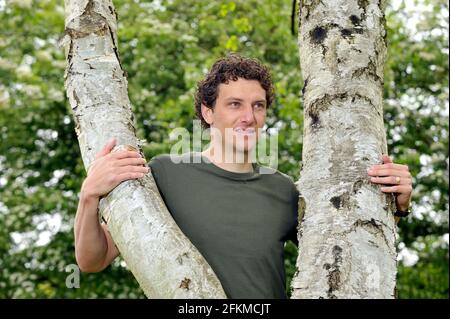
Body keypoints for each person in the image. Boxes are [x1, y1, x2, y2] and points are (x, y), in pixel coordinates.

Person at [74, 54, 413, 298]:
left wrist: (393, 205)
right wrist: (89, 196)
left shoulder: (284, 189)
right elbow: (93, 259)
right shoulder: (164, 173)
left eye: (258, 105)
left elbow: (344, 243)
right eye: (234, 104)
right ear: (208, 112)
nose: (248, 117)